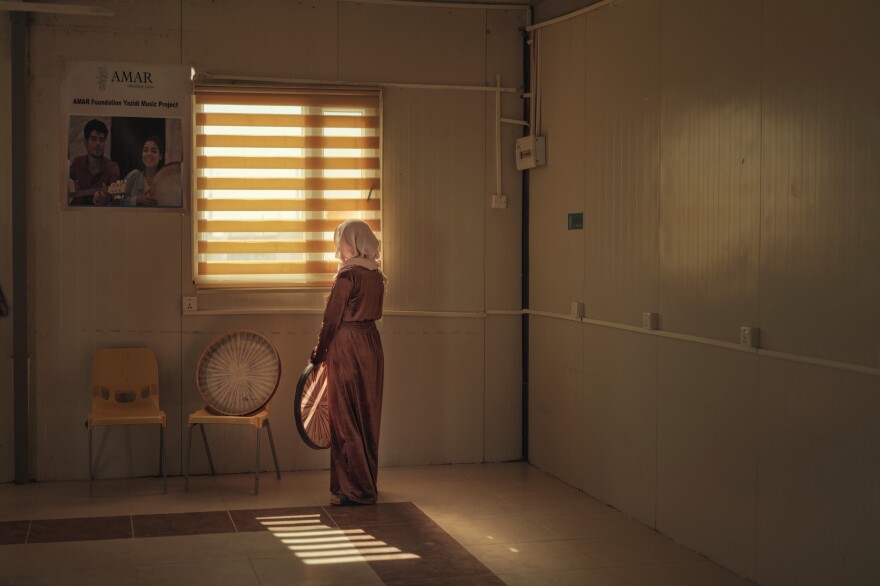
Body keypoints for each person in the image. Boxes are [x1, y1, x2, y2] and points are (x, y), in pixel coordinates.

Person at [310, 220, 386, 506]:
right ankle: (365, 483)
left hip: (347, 346)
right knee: (367, 415)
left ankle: (354, 489)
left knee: (345, 418)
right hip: (372, 345)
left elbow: (331, 320)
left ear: (347, 243)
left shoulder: (347, 278)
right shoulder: (376, 275)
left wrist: (319, 353)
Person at [68, 119, 120, 206]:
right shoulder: (77, 163)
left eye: (101, 140)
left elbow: (116, 201)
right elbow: (63, 185)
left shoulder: (112, 168)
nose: (98, 143)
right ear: (86, 142)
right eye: (93, 139)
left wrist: (106, 200)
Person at [120, 136, 165, 206]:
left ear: (161, 156)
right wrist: (136, 200)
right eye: (145, 150)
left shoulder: (165, 181)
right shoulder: (133, 177)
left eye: (153, 151)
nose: (149, 154)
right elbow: (119, 201)